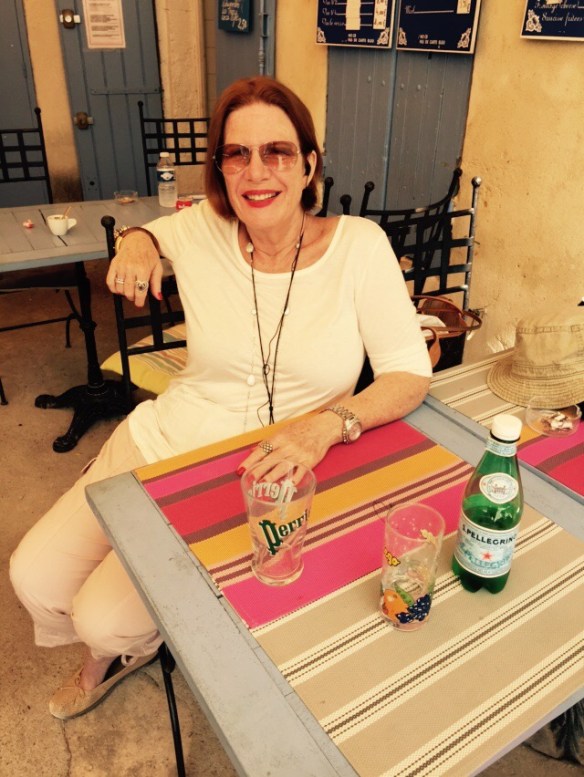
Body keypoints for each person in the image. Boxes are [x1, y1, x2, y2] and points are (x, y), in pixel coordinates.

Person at [10, 76, 432, 720]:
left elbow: (408, 373)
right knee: (32, 577)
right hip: (154, 442)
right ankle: (138, 627)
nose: (256, 171)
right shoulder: (206, 227)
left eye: (277, 151)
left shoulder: (359, 247)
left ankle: (113, 656)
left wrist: (325, 425)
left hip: (253, 477)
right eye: (237, 154)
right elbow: (150, 232)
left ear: (309, 165)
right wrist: (137, 241)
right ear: (220, 169)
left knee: (102, 620)